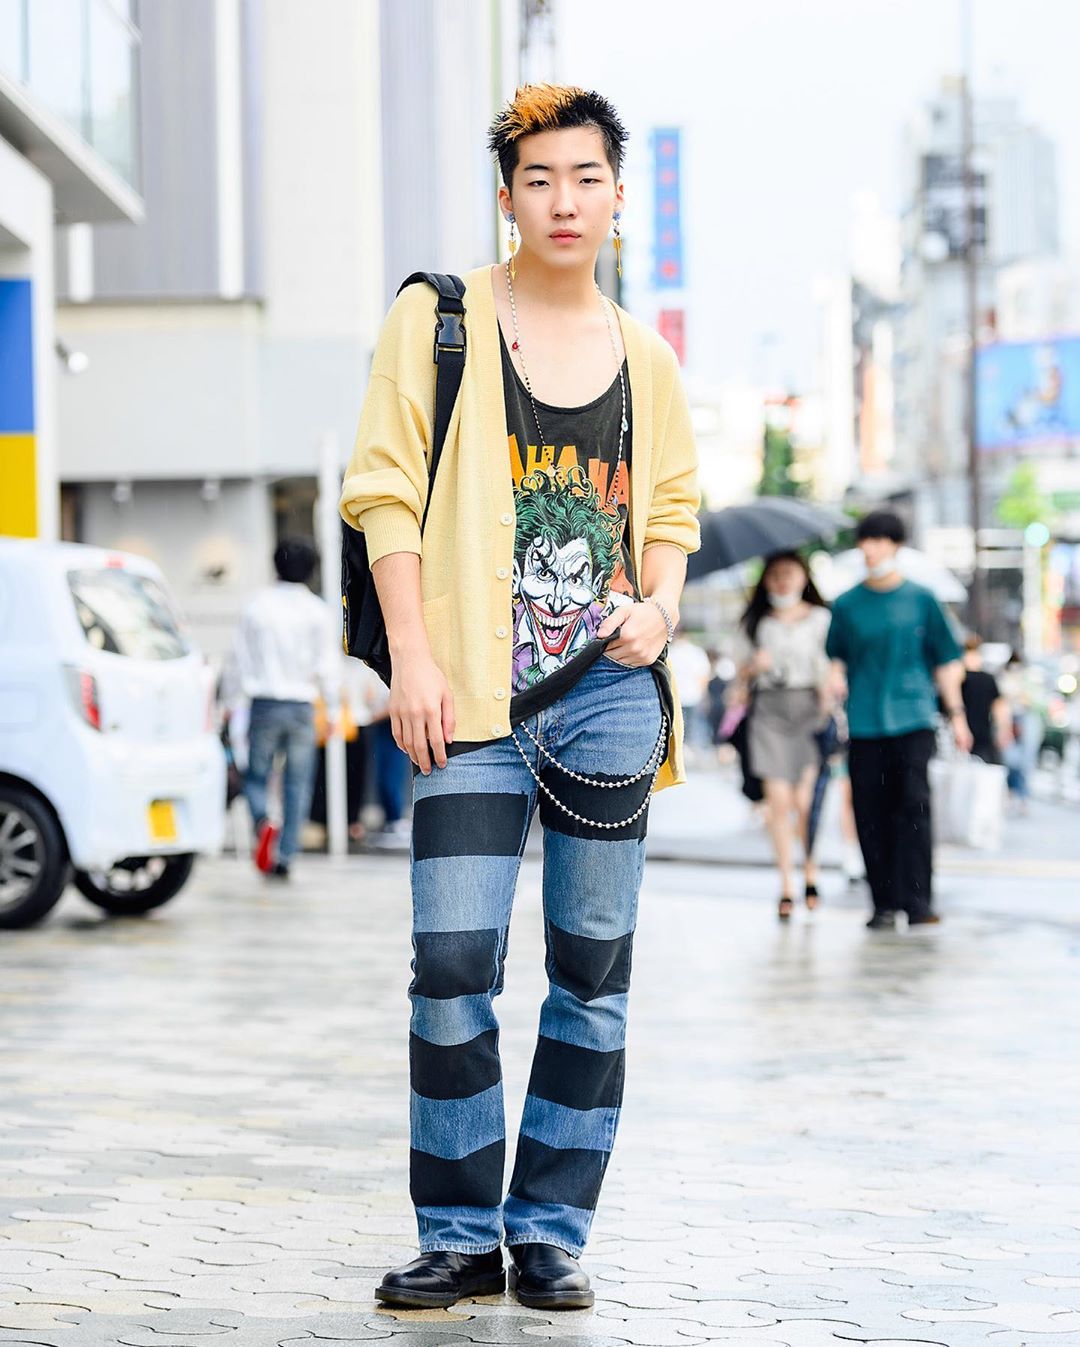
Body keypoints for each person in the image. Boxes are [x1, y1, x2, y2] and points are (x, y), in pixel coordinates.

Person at [339, 85, 700, 1312]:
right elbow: (384, 488)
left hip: (605, 697)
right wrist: (414, 657)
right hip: (469, 701)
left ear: (613, 196)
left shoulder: (646, 359)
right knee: (452, 967)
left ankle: (548, 1230)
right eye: (539, 178)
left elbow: (669, 523)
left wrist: (660, 609)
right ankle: (455, 1232)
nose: (563, 200)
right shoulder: (437, 322)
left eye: (585, 178)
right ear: (508, 195)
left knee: (593, 976)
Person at [825, 511, 971, 930]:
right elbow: (836, 655)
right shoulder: (847, 604)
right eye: (866, 540)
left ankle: (919, 902)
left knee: (914, 806)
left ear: (897, 546)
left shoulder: (923, 599)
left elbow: (946, 661)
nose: (871, 548)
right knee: (871, 810)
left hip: (914, 717)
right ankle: (884, 904)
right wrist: (835, 677)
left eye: (881, 540)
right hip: (866, 721)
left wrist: (957, 715)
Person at [227, 539, 341, 879]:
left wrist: (232, 703)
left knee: (257, 775)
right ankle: (286, 856)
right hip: (302, 706)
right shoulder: (317, 610)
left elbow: (238, 662)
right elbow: (327, 665)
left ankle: (263, 820)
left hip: (263, 703)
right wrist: (332, 711)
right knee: (298, 783)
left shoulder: (256, 606)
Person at [733, 552, 833, 919]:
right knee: (778, 804)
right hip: (769, 712)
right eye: (775, 575)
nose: (782, 582)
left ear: (804, 577)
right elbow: (737, 680)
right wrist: (751, 667)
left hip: (810, 710)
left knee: (805, 802)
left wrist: (830, 690)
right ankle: (787, 884)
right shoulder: (755, 623)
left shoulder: (822, 619)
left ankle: (811, 868)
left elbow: (833, 665)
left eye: (789, 574)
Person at [960, 635, 1010, 765]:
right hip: (980, 738)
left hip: (964, 737)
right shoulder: (987, 679)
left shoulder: (958, 679)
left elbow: (999, 706)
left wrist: (1003, 730)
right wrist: (1003, 730)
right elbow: (1000, 707)